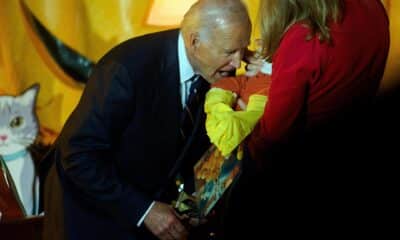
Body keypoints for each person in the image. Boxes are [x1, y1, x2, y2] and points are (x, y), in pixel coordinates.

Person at [41, 1, 252, 239]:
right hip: (90, 219)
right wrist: (145, 211)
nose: (238, 62)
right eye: (230, 52)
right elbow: (77, 154)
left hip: (143, 212)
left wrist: (197, 205)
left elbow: (205, 150)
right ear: (195, 42)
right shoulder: (126, 70)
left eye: (243, 50)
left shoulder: (216, 69)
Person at [222, 0, 390, 238]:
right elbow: (329, 73)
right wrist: (278, 65)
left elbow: (272, 137)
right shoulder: (373, 7)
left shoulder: (304, 36)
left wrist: (243, 114)